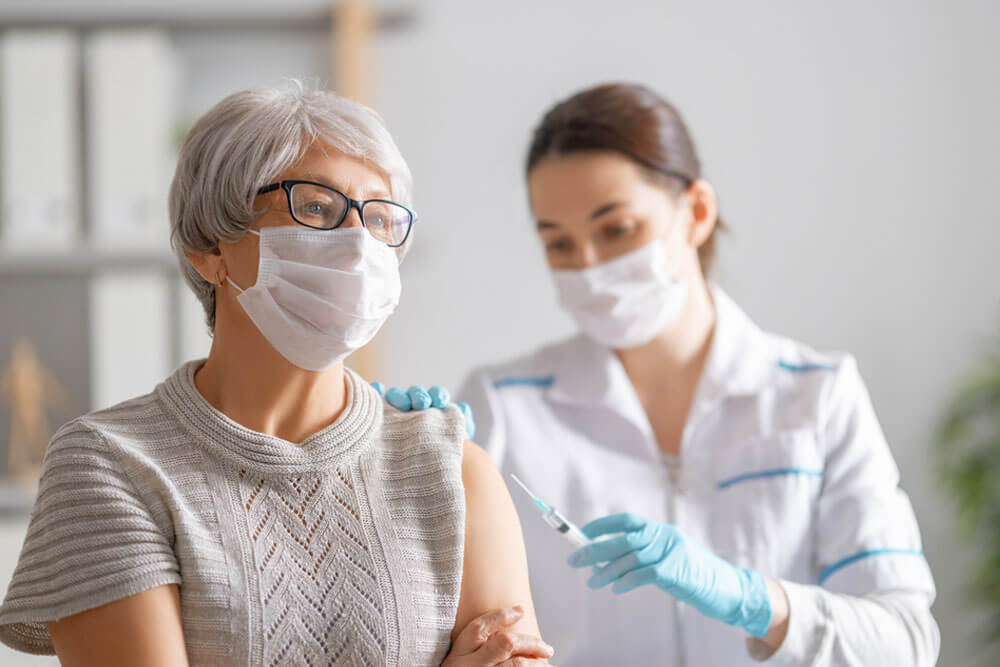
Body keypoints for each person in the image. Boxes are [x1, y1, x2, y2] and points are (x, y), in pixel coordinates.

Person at [0, 86, 555, 667]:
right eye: (316, 208)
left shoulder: (449, 465)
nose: (358, 243)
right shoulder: (112, 464)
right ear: (209, 247)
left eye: (380, 217)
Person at [389, 83, 939, 666]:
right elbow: (434, 627)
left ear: (697, 212)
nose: (589, 267)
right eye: (559, 244)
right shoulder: (502, 408)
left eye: (617, 229)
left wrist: (753, 600)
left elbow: (906, 641)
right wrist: (386, 461)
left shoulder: (818, 396)